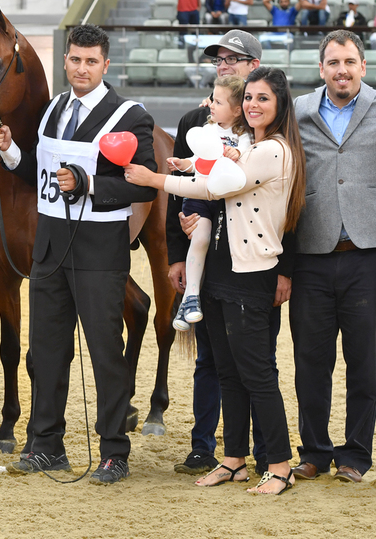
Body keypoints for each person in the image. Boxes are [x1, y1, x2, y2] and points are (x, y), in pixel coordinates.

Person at [0, 24, 157, 485]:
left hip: (100, 249)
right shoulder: (52, 112)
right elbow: (37, 176)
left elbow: (142, 180)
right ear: (65, 61)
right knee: (46, 351)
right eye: (75, 59)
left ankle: (113, 452)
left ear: (106, 65)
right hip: (50, 247)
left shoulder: (130, 114)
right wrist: (9, 154)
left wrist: (89, 185)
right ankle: (46, 445)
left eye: (91, 61)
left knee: (105, 352)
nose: (81, 68)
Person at [124, 66, 307, 496]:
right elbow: (211, 180)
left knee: (256, 373)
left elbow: (212, 189)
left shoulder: (274, 151)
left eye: (263, 98)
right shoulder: (248, 146)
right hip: (222, 267)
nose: (253, 105)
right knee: (227, 371)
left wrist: (154, 180)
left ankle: (279, 465)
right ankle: (234, 459)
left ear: (280, 105)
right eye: (249, 98)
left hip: (251, 271)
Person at [289, 30, 376, 485]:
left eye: (350, 62)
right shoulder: (297, 110)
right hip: (310, 254)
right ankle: (314, 451)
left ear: (363, 66)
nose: (342, 70)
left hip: (371, 254)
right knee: (310, 363)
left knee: (365, 362)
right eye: (333, 62)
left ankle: (356, 454)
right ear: (321, 68)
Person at [168, 31, 290, 479]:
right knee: (215, 363)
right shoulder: (194, 121)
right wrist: (178, 251)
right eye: (219, 59)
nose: (224, 64)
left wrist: (286, 269)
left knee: (256, 366)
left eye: (234, 58)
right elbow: (187, 195)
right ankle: (216, 450)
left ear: (255, 64)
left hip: (252, 264)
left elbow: (288, 208)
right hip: (211, 258)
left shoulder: (268, 140)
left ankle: (270, 458)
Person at [167, 75, 252, 331]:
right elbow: (199, 159)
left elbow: (247, 156)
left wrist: (238, 153)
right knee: (200, 238)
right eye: (212, 99)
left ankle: (188, 304)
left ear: (237, 110)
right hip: (200, 196)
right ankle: (191, 296)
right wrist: (184, 164)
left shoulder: (244, 135)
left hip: (225, 202)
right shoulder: (207, 130)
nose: (210, 105)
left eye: (217, 101)